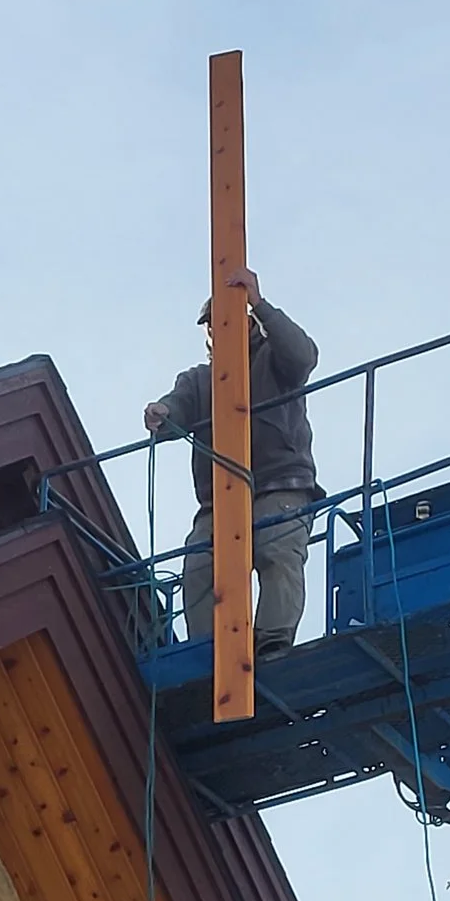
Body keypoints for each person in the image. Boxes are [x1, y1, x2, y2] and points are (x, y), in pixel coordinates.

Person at [143, 267, 321, 657]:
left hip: (280, 484)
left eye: (228, 319)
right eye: (212, 324)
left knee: (276, 549)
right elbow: (179, 407)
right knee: (200, 566)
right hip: (218, 500)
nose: (217, 330)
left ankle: (272, 644)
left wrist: (260, 303)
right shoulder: (200, 379)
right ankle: (210, 655)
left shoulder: (277, 360)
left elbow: (304, 355)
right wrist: (162, 414)